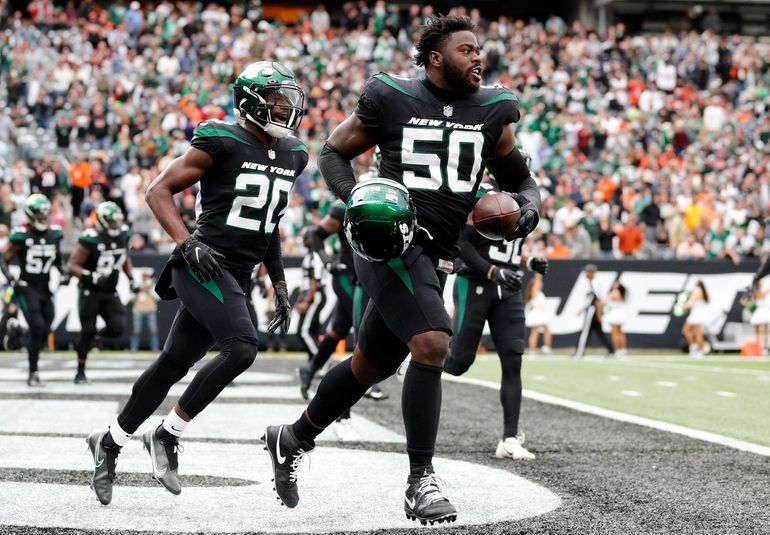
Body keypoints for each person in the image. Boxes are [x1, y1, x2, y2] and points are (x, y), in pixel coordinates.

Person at [263, 15, 541, 525]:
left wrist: (527, 210)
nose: (478, 57)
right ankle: (420, 480)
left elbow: (522, 181)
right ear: (436, 58)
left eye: (479, 49)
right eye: (466, 50)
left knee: (370, 365)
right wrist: (360, 202)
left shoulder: (491, 109)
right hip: (387, 242)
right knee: (434, 340)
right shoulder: (392, 96)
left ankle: (293, 436)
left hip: (436, 251)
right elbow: (333, 152)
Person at [85, 61, 308, 506]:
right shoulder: (221, 140)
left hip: (237, 272)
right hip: (202, 264)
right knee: (242, 346)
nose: (285, 108)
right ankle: (168, 434)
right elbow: (156, 191)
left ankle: (108, 442)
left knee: (173, 363)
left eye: (288, 99)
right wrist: (187, 243)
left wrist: (279, 282)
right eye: (276, 99)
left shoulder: (293, 154)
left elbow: (269, 224)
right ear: (250, 102)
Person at [443, 188, 548, 461]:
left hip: (508, 288)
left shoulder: (526, 202)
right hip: (476, 284)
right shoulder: (482, 196)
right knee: (458, 364)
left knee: (513, 360)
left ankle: (509, 438)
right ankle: (416, 355)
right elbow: (464, 245)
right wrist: (491, 271)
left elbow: (506, 250)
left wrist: (529, 262)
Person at [0, 194, 68, 386]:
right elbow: (4, 260)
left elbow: (57, 259)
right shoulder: (21, 235)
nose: (43, 217)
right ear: (30, 215)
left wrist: (62, 273)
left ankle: (19, 333)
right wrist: (12, 279)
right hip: (26, 287)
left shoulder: (53, 234)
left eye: (46, 213)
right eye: (39, 214)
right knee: (38, 326)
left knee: (46, 326)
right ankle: (33, 372)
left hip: (44, 287)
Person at [67, 201, 134, 383]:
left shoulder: (123, 235)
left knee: (117, 327)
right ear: (102, 221)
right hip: (90, 291)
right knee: (87, 330)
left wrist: (130, 277)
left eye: (117, 221)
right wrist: (90, 275)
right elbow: (72, 265)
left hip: (110, 290)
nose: (116, 225)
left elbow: (124, 256)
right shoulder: (90, 238)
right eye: (112, 221)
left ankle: (93, 337)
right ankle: (80, 371)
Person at [295, 226, 327, 359]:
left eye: (306, 238)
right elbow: (307, 282)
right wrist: (300, 300)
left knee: (303, 332)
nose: (303, 241)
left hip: (315, 296)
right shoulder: (309, 256)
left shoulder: (315, 256)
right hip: (311, 295)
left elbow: (315, 281)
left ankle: (317, 362)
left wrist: (307, 301)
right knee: (312, 331)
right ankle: (315, 362)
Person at [572, 264, 615, 359]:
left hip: (593, 311)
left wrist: (599, 314)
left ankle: (579, 353)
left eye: (586, 272)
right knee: (599, 333)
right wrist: (582, 309)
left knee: (584, 332)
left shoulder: (595, 283)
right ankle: (612, 351)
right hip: (593, 310)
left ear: (591, 273)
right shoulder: (592, 283)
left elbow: (599, 300)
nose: (585, 274)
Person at [130, 271, 160, 352]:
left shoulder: (152, 286)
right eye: (143, 276)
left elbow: (158, 298)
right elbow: (131, 299)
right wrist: (139, 290)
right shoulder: (137, 286)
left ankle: (155, 348)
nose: (145, 277)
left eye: (146, 276)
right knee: (136, 330)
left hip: (150, 310)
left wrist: (148, 290)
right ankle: (134, 348)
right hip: (138, 310)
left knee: (153, 330)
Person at [525, 273, 552, 355]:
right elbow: (537, 281)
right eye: (538, 283)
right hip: (537, 313)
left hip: (539, 313)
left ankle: (544, 348)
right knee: (535, 332)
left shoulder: (538, 292)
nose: (540, 284)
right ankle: (533, 350)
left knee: (540, 331)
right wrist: (538, 273)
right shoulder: (534, 291)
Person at [682, 279, 709, 358]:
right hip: (696, 314)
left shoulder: (697, 290)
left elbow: (691, 303)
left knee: (696, 332)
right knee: (688, 330)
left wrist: (682, 306)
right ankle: (695, 348)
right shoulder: (701, 291)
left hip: (697, 315)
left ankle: (699, 351)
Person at [603, 281, 628, 357]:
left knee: (615, 333)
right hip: (620, 313)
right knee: (620, 332)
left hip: (615, 314)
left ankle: (617, 350)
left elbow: (604, 300)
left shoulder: (615, 292)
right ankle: (622, 350)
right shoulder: (620, 292)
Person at [746, 278, 770, 351]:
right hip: (762, 311)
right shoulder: (760, 293)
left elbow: (748, 302)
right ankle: (764, 345)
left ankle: (760, 345)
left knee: (759, 330)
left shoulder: (755, 293)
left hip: (760, 311)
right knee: (765, 330)